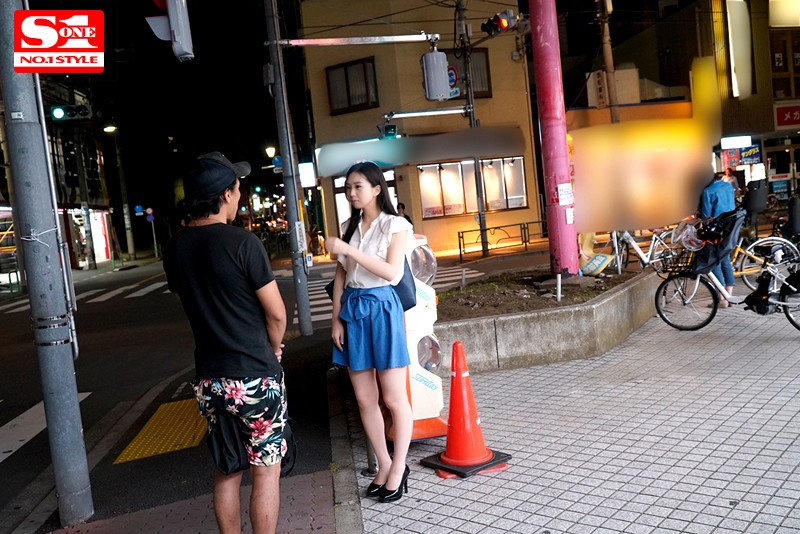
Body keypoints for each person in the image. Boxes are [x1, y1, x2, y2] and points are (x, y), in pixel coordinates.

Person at [163, 151, 287, 534]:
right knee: (265, 472)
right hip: (254, 374)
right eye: (237, 187)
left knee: (227, 468)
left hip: (209, 377)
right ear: (225, 195)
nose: (239, 194)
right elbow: (277, 314)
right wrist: (274, 347)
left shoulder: (176, 247)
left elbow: (190, 303)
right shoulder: (243, 243)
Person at [326, 161, 414, 503]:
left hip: (382, 308)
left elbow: (391, 272)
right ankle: (383, 463)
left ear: (377, 189)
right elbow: (340, 276)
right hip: (353, 310)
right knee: (364, 398)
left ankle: (399, 466)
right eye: (348, 187)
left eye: (358, 186)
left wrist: (350, 250)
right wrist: (336, 319)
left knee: (393, 397)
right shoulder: (348, 226)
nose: (351, 192)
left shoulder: (395, 224)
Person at [700, 172, 736, 307]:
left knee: (714, 262)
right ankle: (729, 296)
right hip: (731, 228)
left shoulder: (708, 191)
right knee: (726, 260)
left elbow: (706, 215)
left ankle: (722, 299)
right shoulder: (727, 186)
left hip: (716, 230)